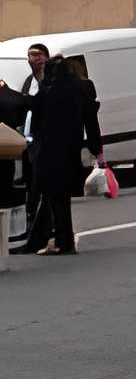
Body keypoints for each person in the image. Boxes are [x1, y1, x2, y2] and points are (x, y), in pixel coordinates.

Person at [21, 54, 105, 257]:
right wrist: (97, 149)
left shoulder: (48, 91)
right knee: (59, 196)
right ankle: (58, 239)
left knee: (55, 196)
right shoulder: (82, 89)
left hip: (50, 150)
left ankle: (63, 241)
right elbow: (91, 122)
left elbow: (34, 114)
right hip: (70, 149)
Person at [3, 43, 49, 253]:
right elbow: (22, 106)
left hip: (45, 140)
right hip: (29, 140)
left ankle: (41, 231)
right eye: (31, 56)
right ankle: (32, 227)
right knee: (31, 183)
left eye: (39, 55)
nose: (35, 59)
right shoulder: (29, 82)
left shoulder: (50, 82)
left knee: (41, 186)